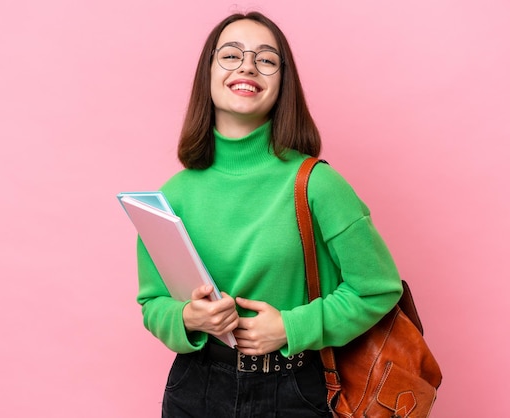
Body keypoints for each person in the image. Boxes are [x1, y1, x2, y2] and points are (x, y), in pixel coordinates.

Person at [135, 11, 403, 417]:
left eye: (265, 58)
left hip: (296, 389)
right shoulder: (172, 196)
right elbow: (152, 303)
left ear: (283, 82)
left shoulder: (316, 184)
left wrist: (291, 328)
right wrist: (189, 316)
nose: (247, 65)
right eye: (230, 55)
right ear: (207, 74)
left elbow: (378, 288)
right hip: (196, 389)